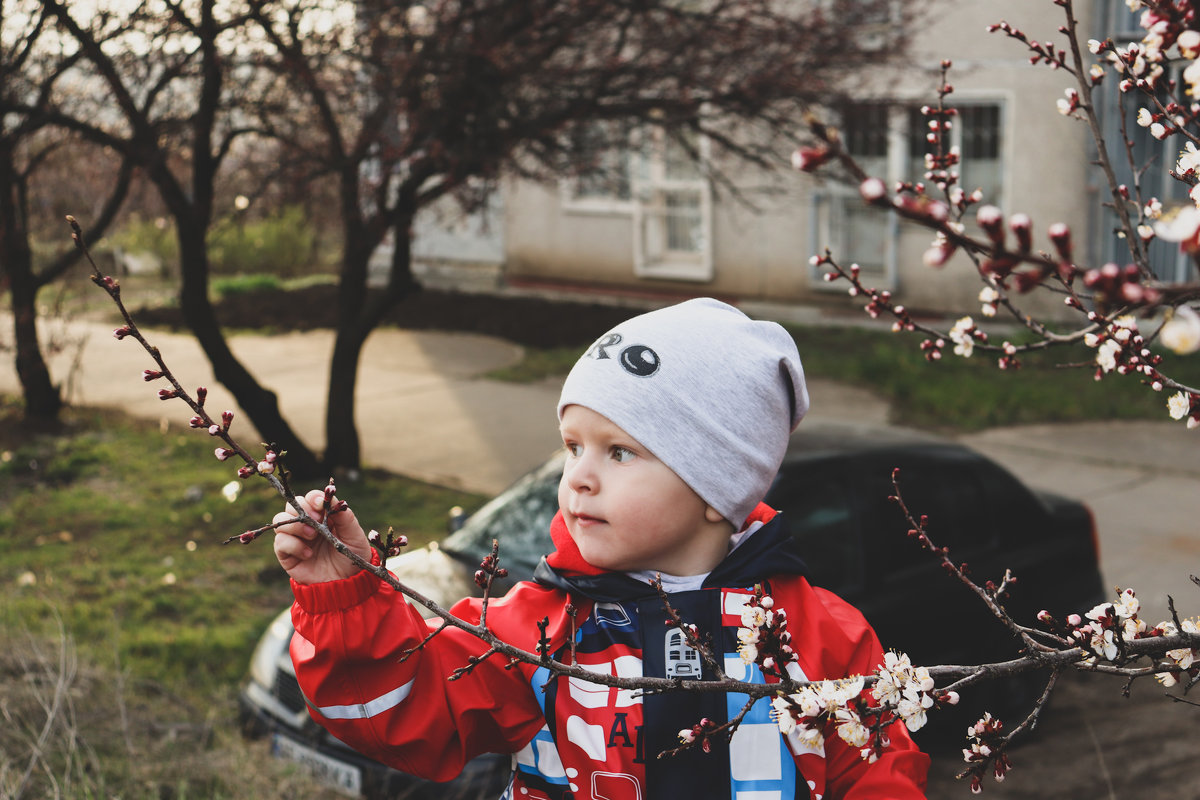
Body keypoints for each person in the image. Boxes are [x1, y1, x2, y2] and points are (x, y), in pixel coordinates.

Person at [273, 297, 930, 799]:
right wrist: (343, 594)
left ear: (715, 485)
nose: (580, 476)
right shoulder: (536, 630)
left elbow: (879, 775)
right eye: (572, 446)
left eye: (620, 452)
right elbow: (397, 707)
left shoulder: (821, 640)